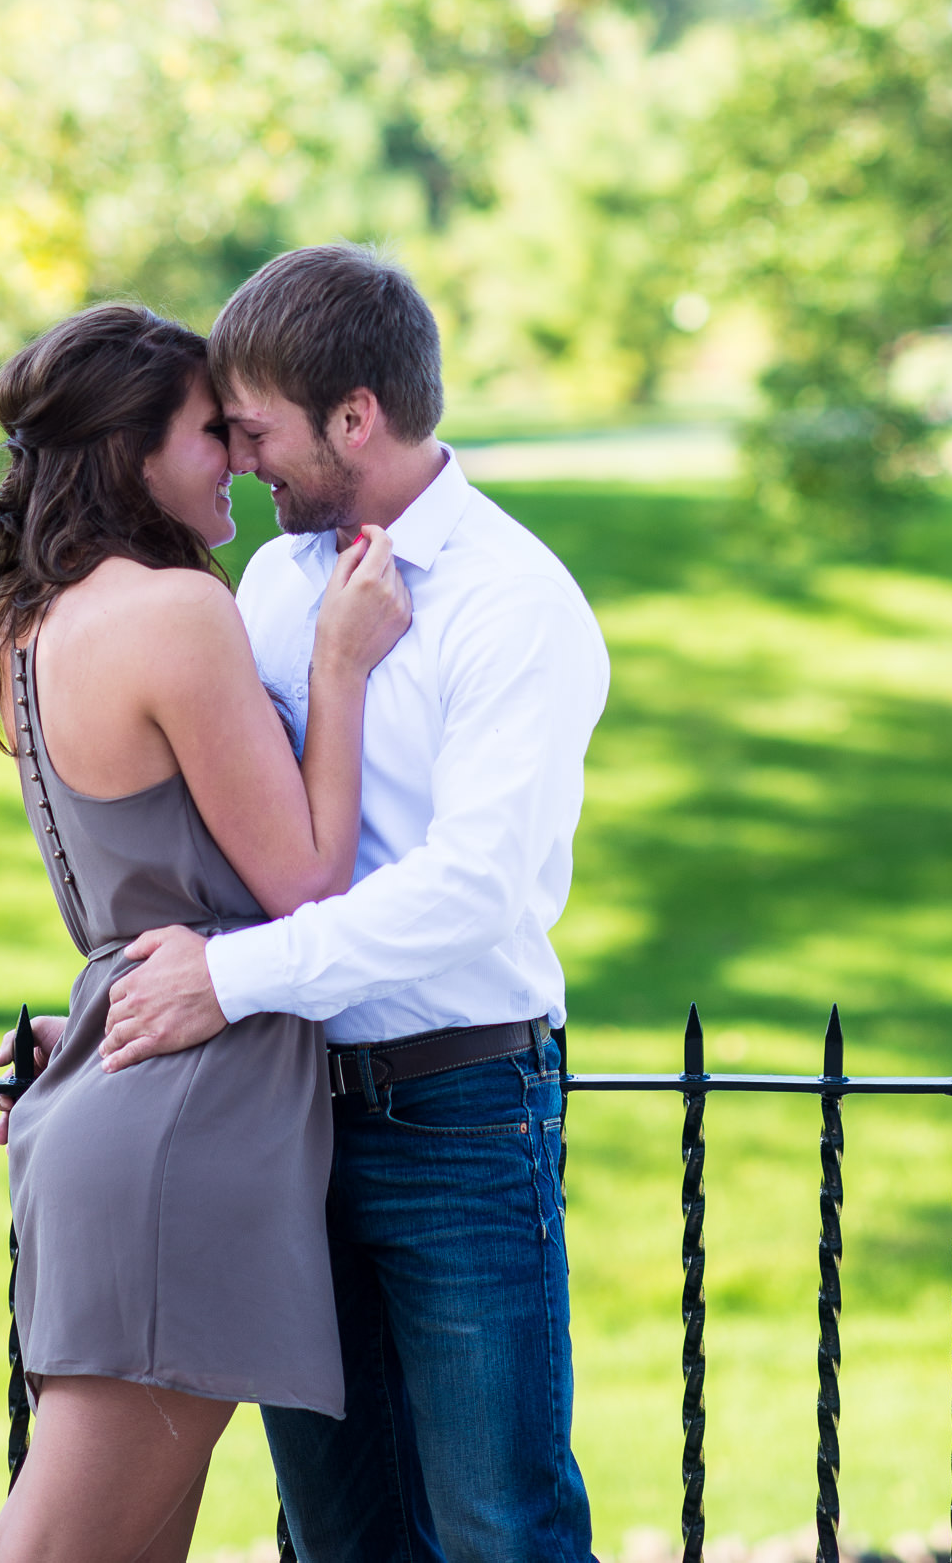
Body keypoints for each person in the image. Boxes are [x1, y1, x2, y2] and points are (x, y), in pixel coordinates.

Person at [98, 246, 611, 1563]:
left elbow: (473, 891)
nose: (239, 460)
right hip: (288, 1121)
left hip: (459, 1119)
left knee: (501, 1526)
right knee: (337, 1532)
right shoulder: (274, 586)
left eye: (256, 429)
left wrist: (231, 979)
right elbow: (230, 859)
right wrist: (103, 1024)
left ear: (355, 417)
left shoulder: (515, 604)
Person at [0, 301, 410, 1563]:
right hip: (189, 1135)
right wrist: (340, 667)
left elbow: (134, 902)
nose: (242, 454)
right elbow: (307, 885)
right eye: (212, 431)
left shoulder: (38, 621)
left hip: (126, 1099)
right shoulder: (171, 610)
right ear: (129, 450)